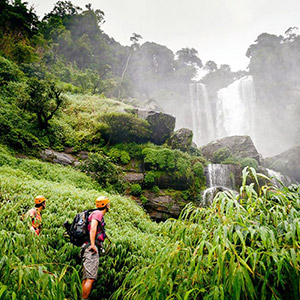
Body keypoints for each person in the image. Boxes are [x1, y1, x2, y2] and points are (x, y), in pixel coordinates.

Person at [81, 196, 110, 300]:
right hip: (91, 248)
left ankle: (82, 297)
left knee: (86, 278)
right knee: (90, 278)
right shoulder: (98, 214)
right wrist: (93, 244)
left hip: (86, 247)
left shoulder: (95, 213)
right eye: (108, 204)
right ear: (106, 205)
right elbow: (93, 227)